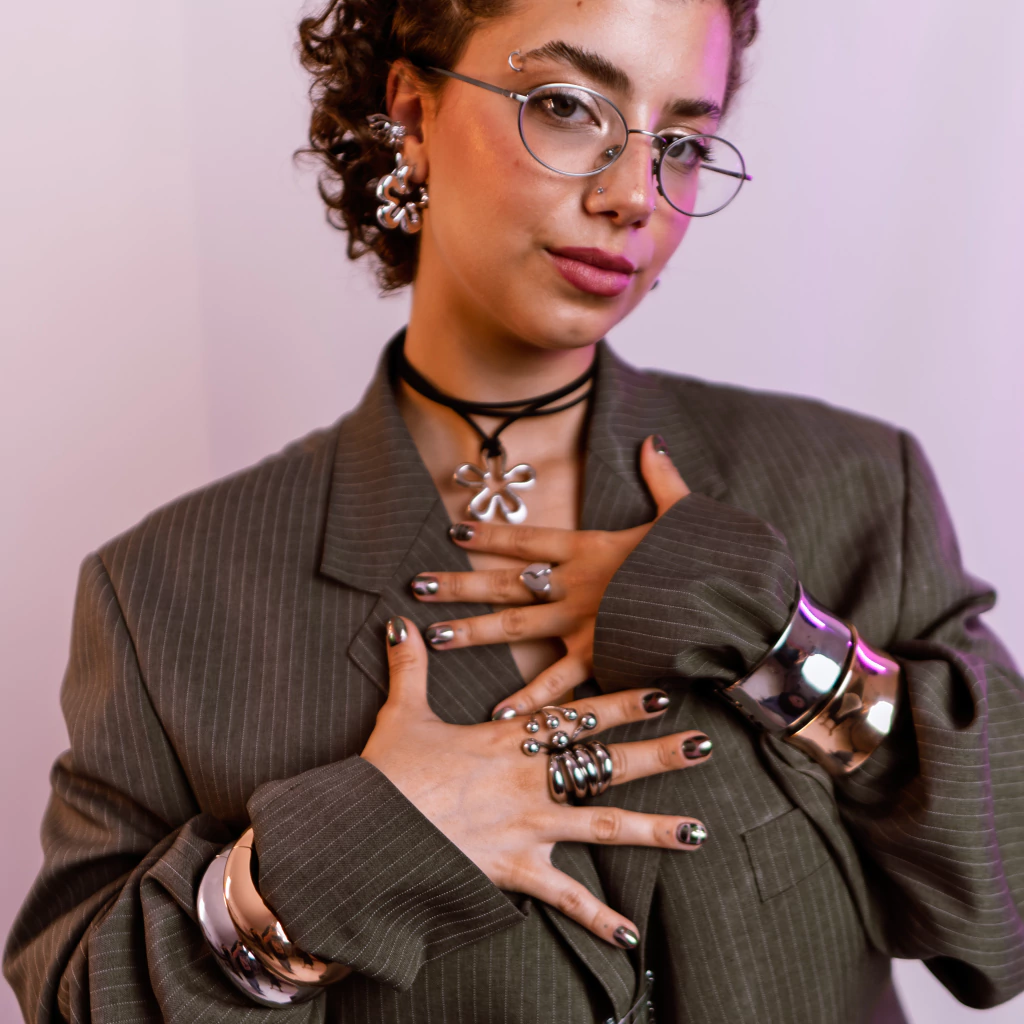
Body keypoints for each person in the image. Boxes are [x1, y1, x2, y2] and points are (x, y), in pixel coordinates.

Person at [5, 0, 1024, 1021]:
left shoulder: (852, 486)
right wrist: (349, 852)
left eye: (680, 142)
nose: (634, 195)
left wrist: (787, 645)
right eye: (568, 106)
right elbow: (78, 1001)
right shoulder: (165, 595)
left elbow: (1007, 919)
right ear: (415, 113)